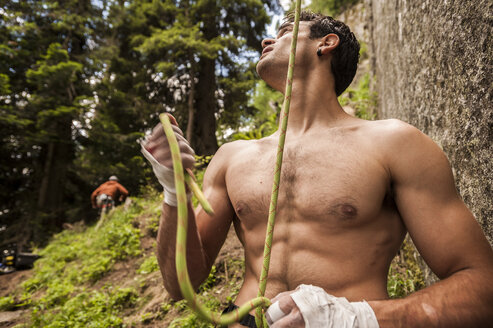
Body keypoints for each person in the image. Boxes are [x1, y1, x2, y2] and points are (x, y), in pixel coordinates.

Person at [141, 11, 493, 328]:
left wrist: (356, 317)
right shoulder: (232, 157)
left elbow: (482, 287)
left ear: (326, 43)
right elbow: (179, 282)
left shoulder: (395, 144)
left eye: (284, 31)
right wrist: (174, 193)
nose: (266, 41)